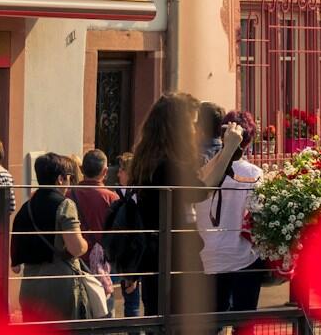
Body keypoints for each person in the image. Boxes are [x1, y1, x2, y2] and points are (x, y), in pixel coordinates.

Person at [127, 92, 245, 320]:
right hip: (175, 259)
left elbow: (197, 180)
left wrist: (224, 153)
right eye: (190, 123)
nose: (195, 130)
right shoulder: (167, 164)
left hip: (158, 258)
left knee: (160, 320)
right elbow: (201, 190)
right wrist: (228, 149)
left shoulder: (153, 159)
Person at [196, 110, 266, 328]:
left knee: (211, 323)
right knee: (244, 323)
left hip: (208, 255)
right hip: (243, 256)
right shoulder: (254, 173)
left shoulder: (204, 172)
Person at [11, 151, 91, 320]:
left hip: (30, 289)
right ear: (60, 179)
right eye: (69, 177)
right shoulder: (65, 204)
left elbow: (16, 267)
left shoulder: (26, 208)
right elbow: (76, 248)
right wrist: (85, 244)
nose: (70, 182)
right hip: (59, 287)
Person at [71, 149, 118, 299]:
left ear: (82, 169)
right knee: (104, 310)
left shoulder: (69, 195)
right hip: (104, 265)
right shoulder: (112, 198)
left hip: (76, 262)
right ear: (105, 172)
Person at [111, 152, 142, 317]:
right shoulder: (117, 192)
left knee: (134, 305)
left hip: (135, 254)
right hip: (123, 255)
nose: (118, 173)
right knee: (131, 304)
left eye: (121, 170)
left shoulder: (139, 195)